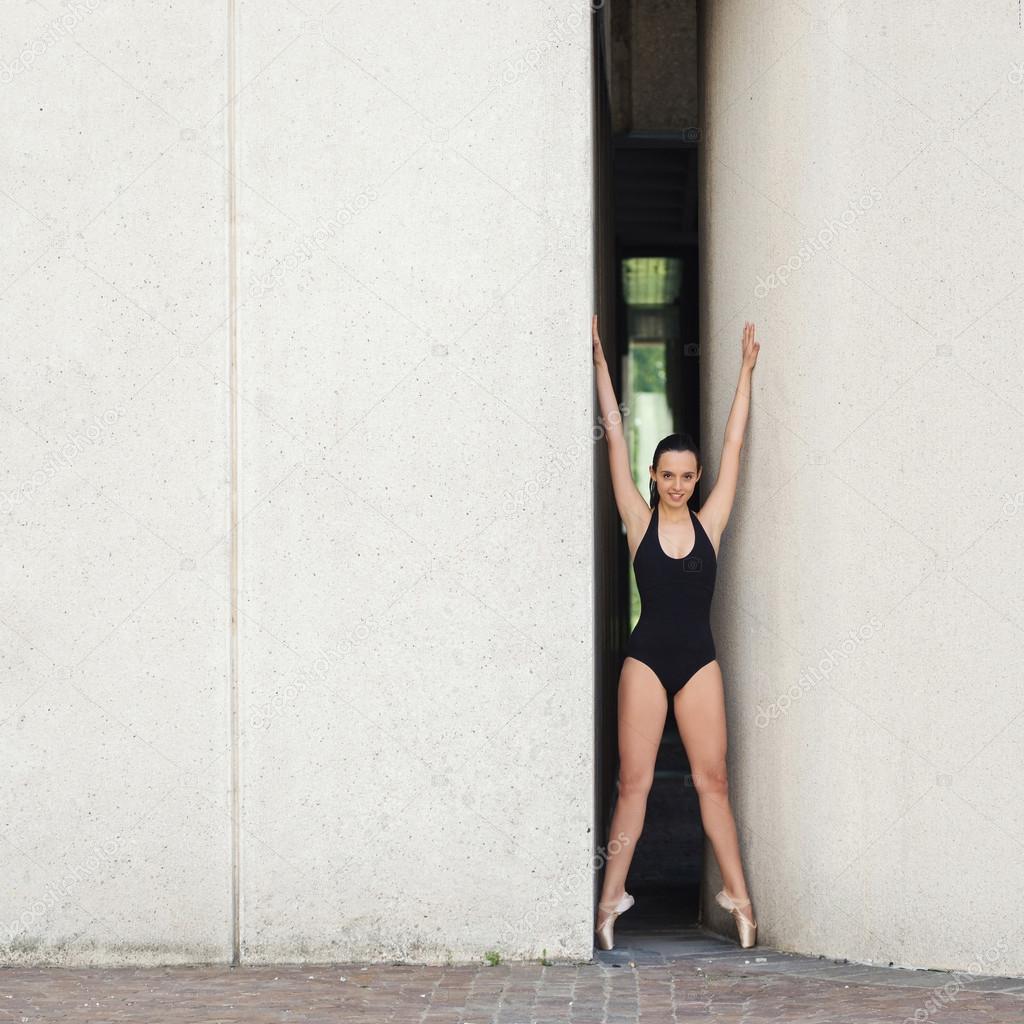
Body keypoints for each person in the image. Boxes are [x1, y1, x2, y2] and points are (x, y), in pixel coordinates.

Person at [591, 313, 760, 950]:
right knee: (633, 783)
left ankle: (739, 900)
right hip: (645, 660)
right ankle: (610, 906)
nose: (679, 484)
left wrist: (745, 373)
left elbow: (735, 446)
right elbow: (614, 438)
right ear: (655, 476)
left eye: (689, 475)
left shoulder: (711, 522)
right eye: (669, 474)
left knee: (712, 780)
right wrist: (603, 366)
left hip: (698, 661)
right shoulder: (637, 518)